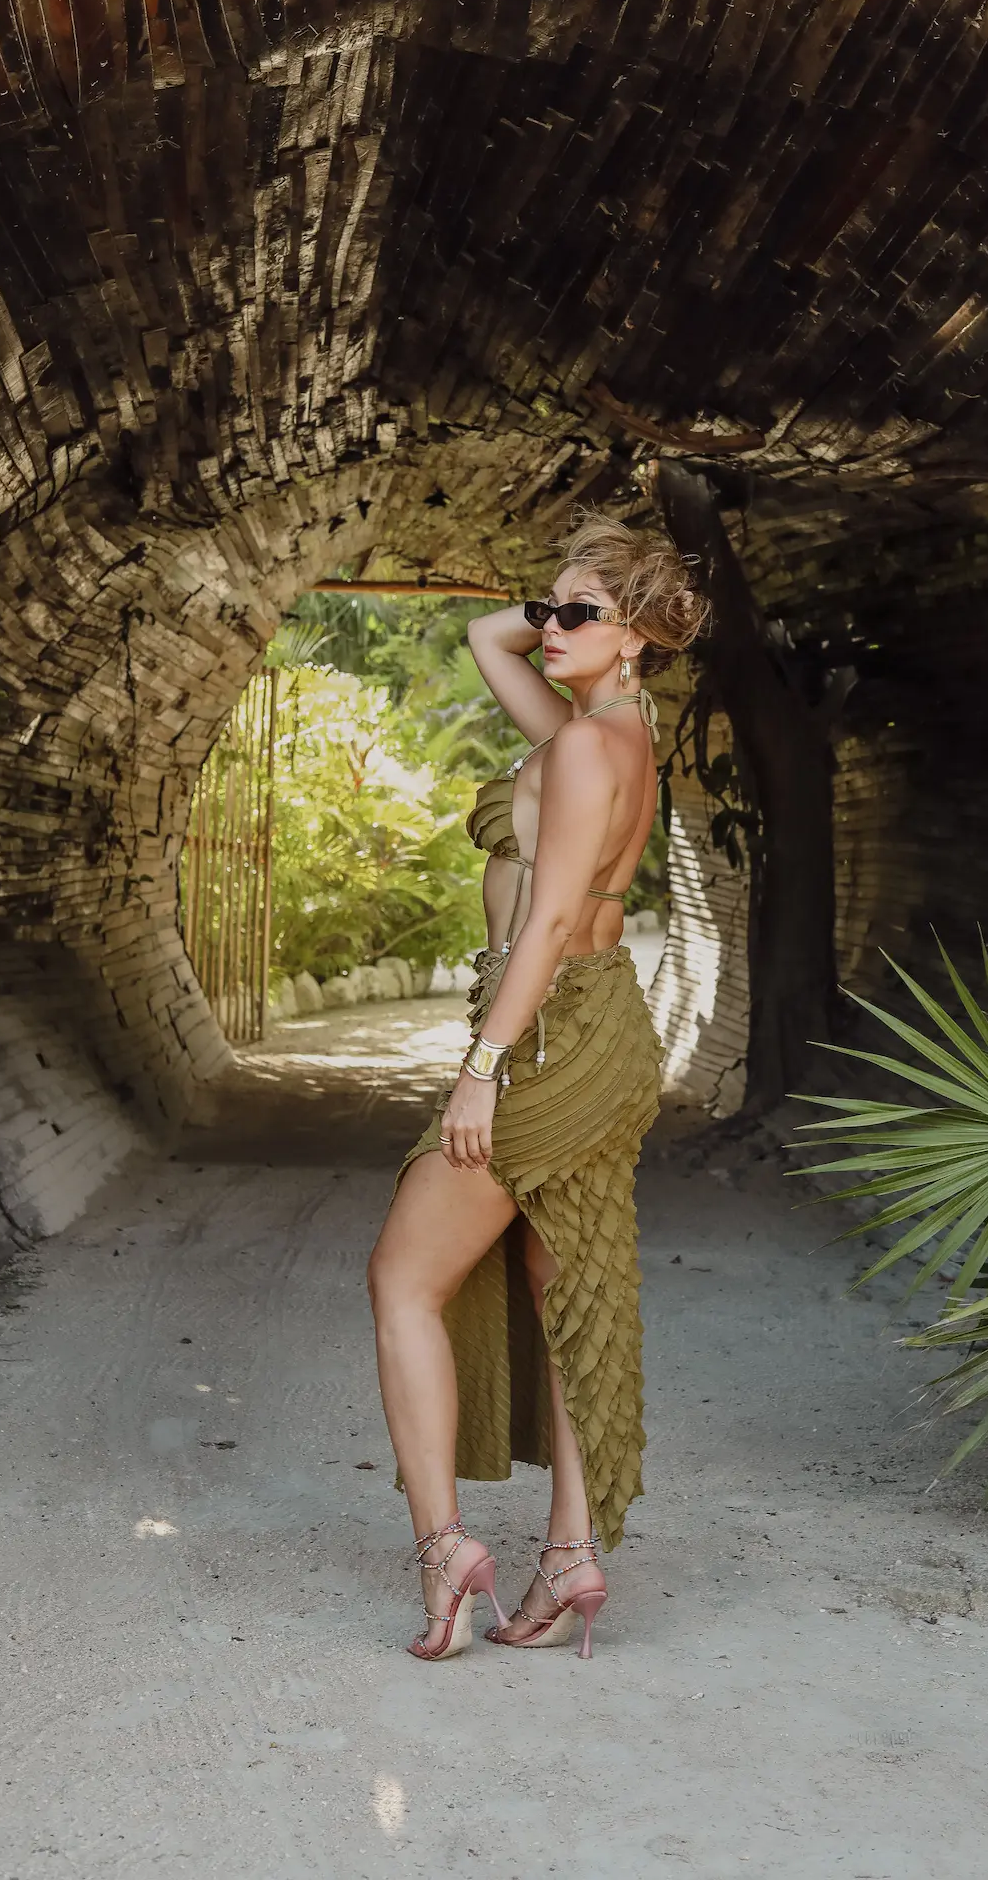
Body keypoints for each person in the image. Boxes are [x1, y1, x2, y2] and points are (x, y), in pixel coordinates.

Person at [366, 513, 709, 1659]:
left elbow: (553, 918)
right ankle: (568, 1554)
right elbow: (480, 634)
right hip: (602, 1024)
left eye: (578, 616)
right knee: (561, 1290)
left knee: (403, 1279)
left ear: (638, 641)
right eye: (549, 607)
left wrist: (479, 1071)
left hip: (548, 1035)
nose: (548, 627)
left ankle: (444, 1550)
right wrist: (588, 605)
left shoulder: (578, 746)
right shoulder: (615, 726)